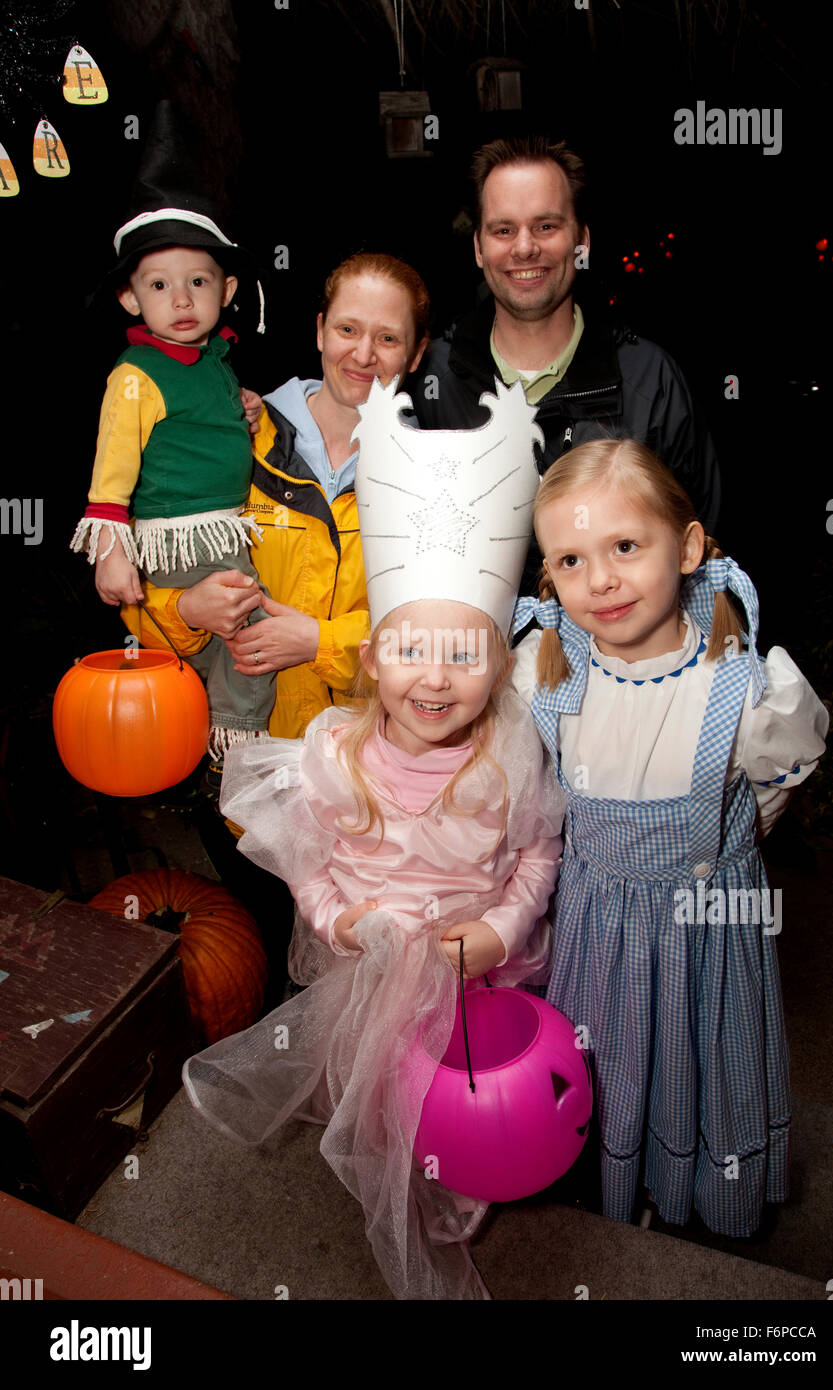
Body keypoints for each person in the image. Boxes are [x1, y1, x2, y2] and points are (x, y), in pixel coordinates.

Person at [181, 377, 565, 1300]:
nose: (434, 680)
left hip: (478, 976)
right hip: (366, 974)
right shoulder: (332, 751)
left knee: (462, 1098)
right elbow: (304, 859)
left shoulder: (511, 755)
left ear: (500, 667)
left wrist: (503, 932)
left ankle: (462, 1168)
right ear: (368, 656)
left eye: (464, 656)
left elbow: (536, 855)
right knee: (383, 1088)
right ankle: (403, 1153)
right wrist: (339, 918)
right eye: (408, 651)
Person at [511, 438, 828, 1239]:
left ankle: (694, 1201)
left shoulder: (746, 691)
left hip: (705, 937)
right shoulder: (546, 675)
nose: (603, 580)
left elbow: (768, 796)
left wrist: (714, 855)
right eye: (572, 561)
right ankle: (612, 1202)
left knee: (702, 1063)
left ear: (686, 547)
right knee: (605, 1066)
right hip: (596, 929)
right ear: (549, 577)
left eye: (625, 546)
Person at [122, 252, 431, 742]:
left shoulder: (434, 477)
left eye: (388, 338)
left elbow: (443, 635)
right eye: (347, 330)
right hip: (253, 766)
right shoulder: (234, 440)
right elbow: (137, 595)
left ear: (416, 355)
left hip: (375, 765)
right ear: (320, 331)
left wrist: (322, 643)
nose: (364, 354)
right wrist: (185, 612)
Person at [411, 135, 722, 588]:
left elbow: (704, 553)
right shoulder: (426, 377)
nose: (523, 248)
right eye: (503, 230)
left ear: (581, 240)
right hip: (473, 655)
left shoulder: (648, 378)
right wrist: (270, 415)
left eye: (545, 227)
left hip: (617, 656)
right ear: (479, 247)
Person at [71, 128, 273, 758]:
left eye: (198, 283)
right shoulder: (136, 375)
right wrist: (110, 550)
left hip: (221, 526)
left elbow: (208, 427)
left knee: (225, 641)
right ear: (130, 297)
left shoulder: (214, 359)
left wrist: (246, 410)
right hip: (180, 533)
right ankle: (236, 746)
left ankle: (209, 739)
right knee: (254, 635)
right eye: (158, 286)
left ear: (228, 292)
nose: (181, 300)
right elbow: (111, 471)